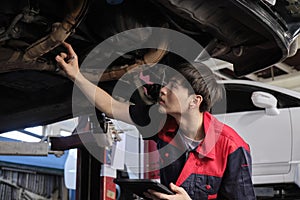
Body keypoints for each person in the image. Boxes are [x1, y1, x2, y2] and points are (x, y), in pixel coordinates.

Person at [56, 42, 256, 199]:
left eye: (174, 86)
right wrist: (76, 75)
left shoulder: (232, 148)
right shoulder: (161, 122)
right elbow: (112, 106)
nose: (163, 89)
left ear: (194, 101)